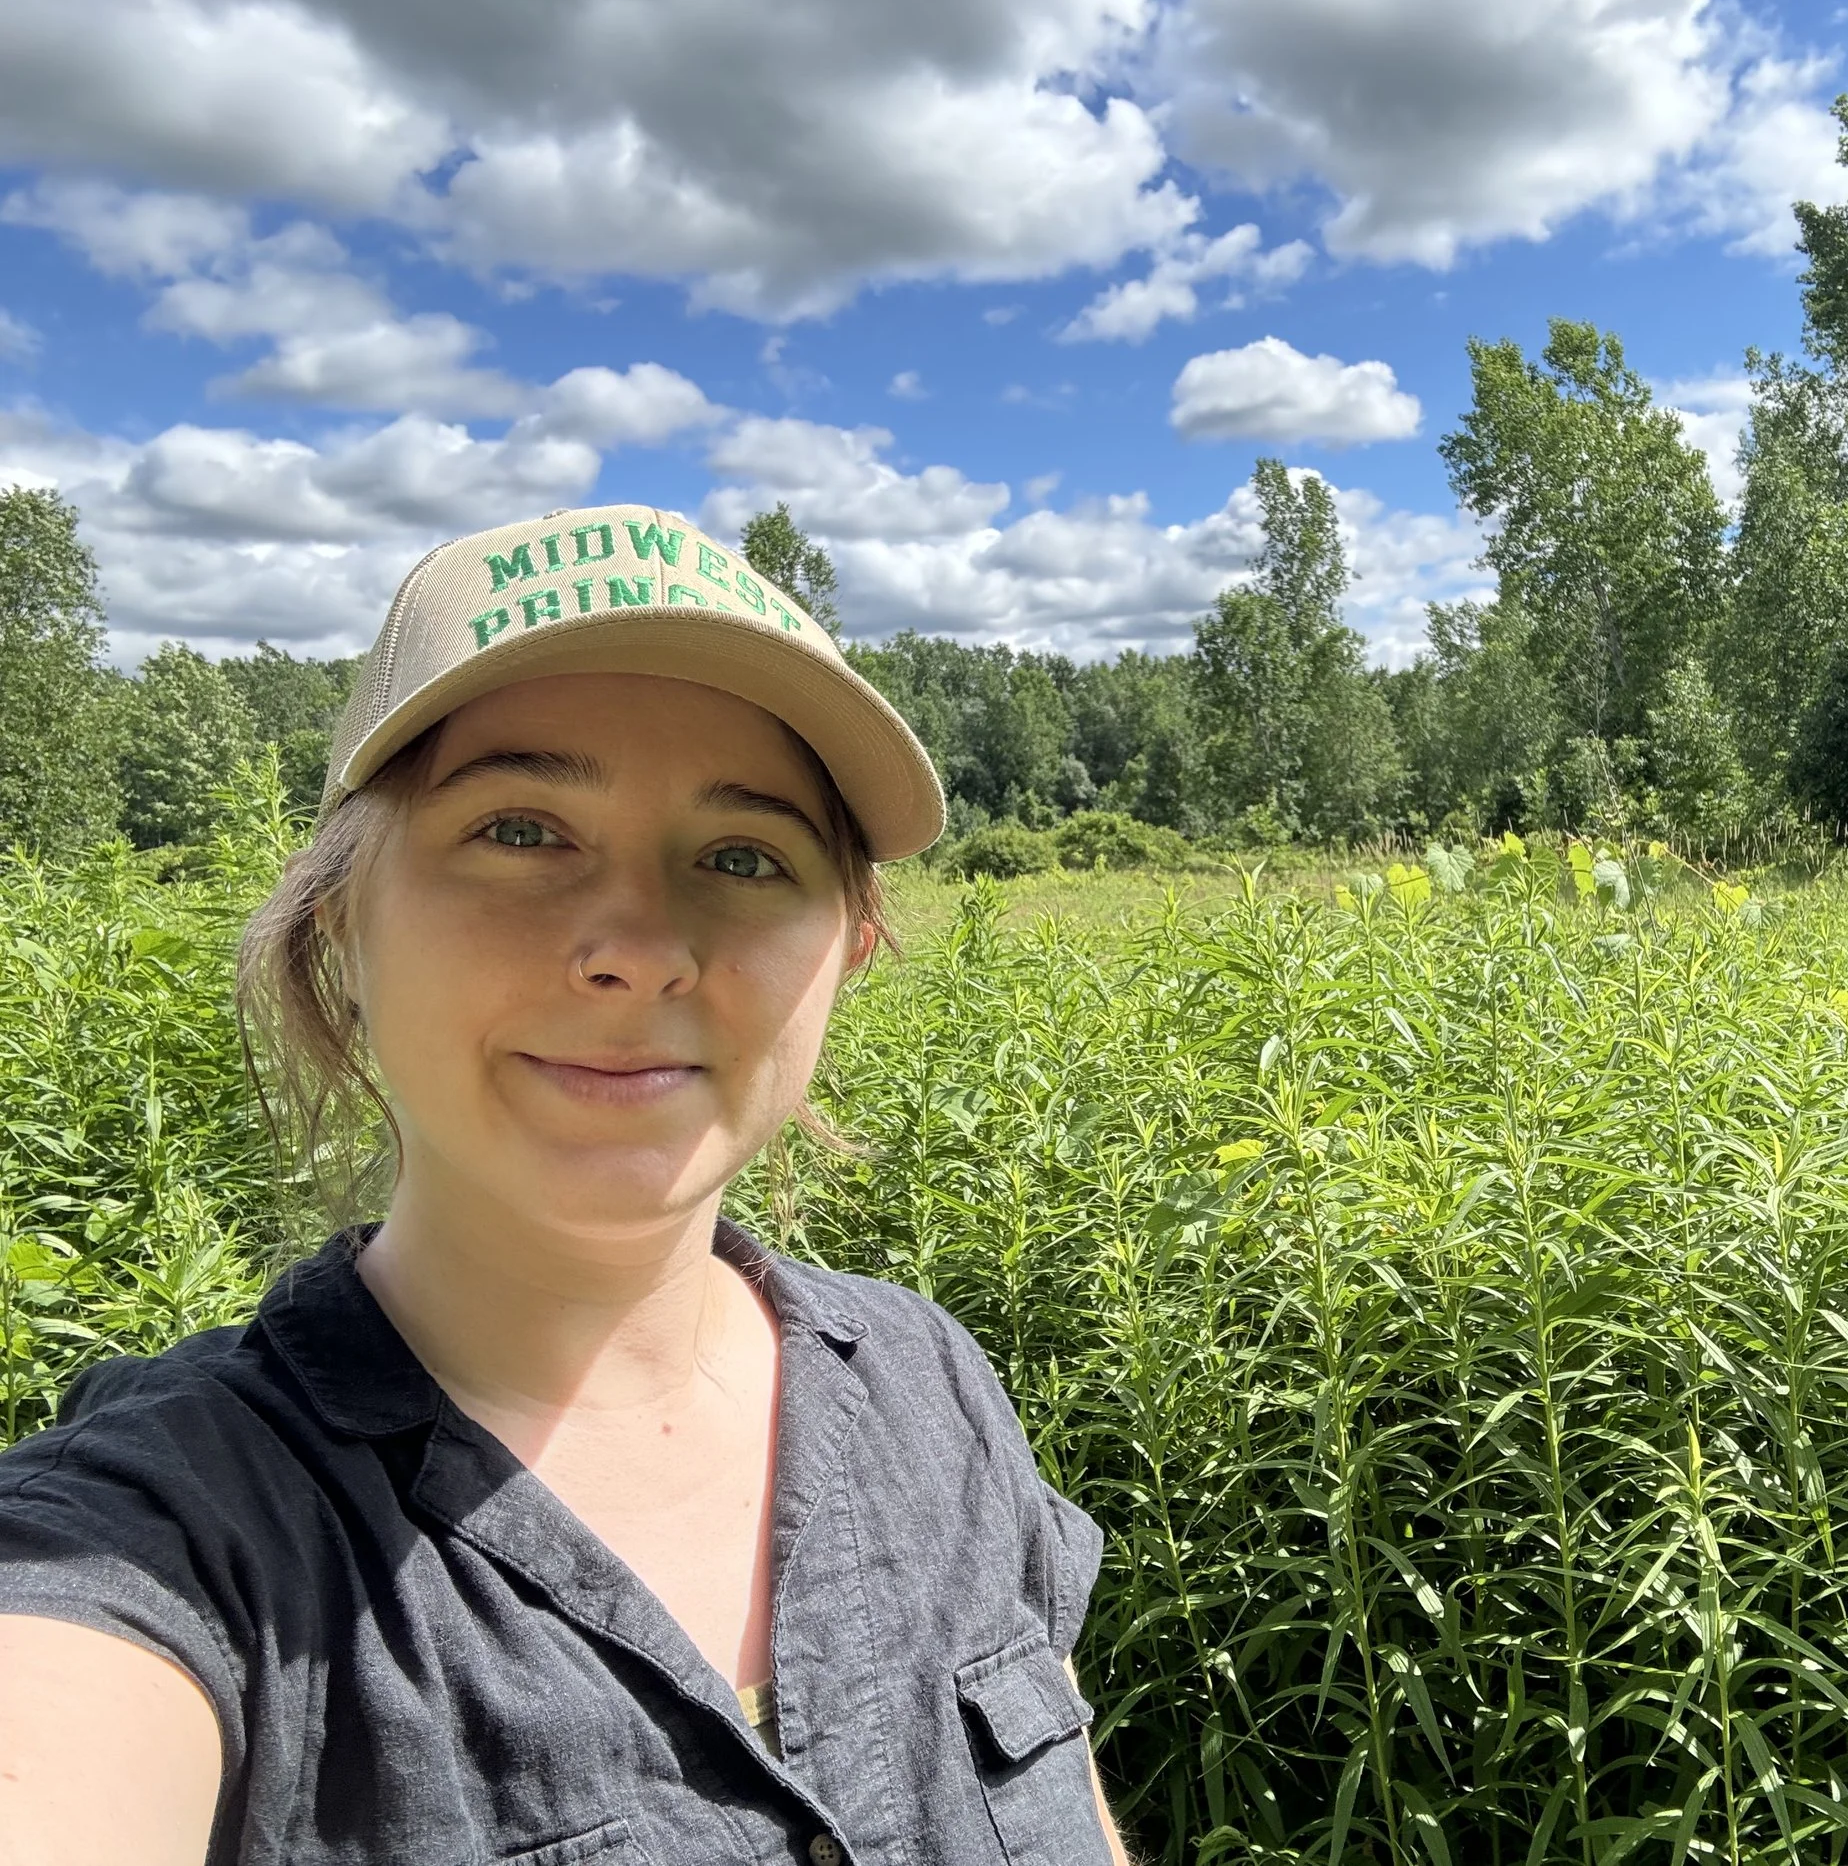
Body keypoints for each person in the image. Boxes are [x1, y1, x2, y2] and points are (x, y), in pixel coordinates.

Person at [0, 507, 1127, 1866]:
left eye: (745, 854)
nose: (639, 948)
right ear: (341, 918)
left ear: (848, 950)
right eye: (521, 827)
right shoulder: (168, 1540)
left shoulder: (928, 1380)